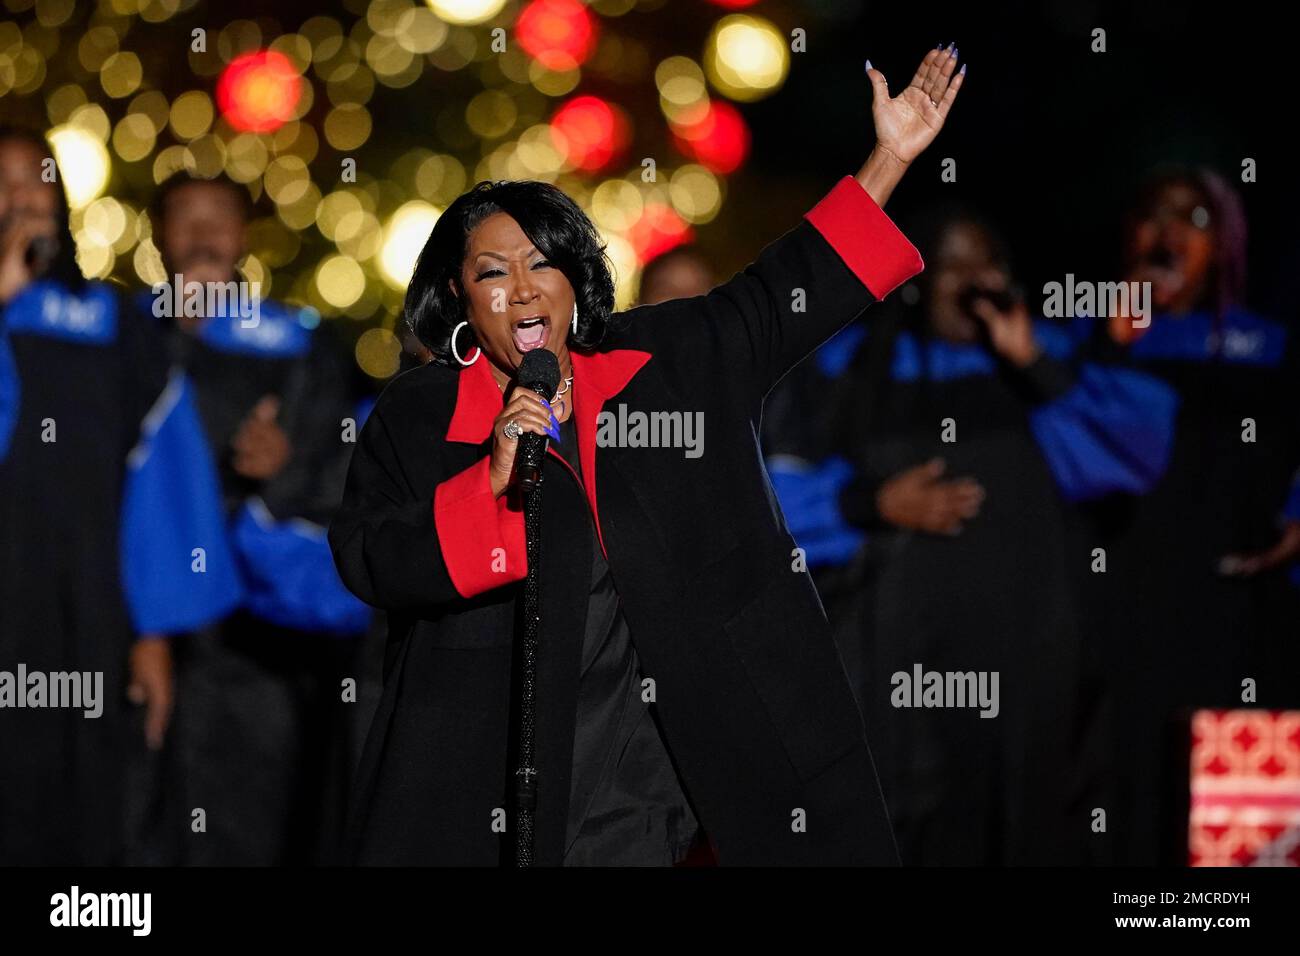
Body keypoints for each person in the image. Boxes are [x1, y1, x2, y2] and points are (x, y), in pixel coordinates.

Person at [330, 46, 965, 866]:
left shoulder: (672, 359)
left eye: (543, 262)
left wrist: (890, 155)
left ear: (575, 277)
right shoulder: (421, 414)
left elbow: (789, 292)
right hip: (499, 777)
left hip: (679, 768)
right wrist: (488, 480)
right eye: (493, 271)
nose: (522, 288)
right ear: (458, 296)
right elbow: (369, 556)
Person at [764, 204, 1179, 864]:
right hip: (893, 662)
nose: (973, 279)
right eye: (952, 263)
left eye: (986, 262)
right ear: (919, 278)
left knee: (1027, 828)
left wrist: (1037, 363)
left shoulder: (1050, 354)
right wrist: (869, 500)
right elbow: (771, 503)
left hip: (1031, 665)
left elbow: (1141, 454)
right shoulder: (848, 369)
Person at [0, 128, 234, 864]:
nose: (18, 198)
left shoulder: (114, 327)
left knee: (87, 810)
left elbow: (158, 482)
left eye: (34, 180)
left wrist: (154, 631)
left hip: (88, 619)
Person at [135, 171, 369, 865]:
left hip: (260, 635)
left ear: (244, 235)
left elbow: (340, 477)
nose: (204, 234)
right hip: (144, 617)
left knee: (252, 819)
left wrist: (282, 468)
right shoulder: (125, 339)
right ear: (158, 234)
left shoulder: (302, 346)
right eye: (186, 217)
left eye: (220, 218)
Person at [1086, 165, 1300, 863]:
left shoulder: (1268, 347)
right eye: (1155, 216)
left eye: (1196, 219)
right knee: (1121, 816)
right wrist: (1113, 342)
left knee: (1238, 834)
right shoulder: (1088, 345)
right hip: (1118, 617)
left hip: (1238, 615)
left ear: (1229, 244)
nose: (1171, 234)